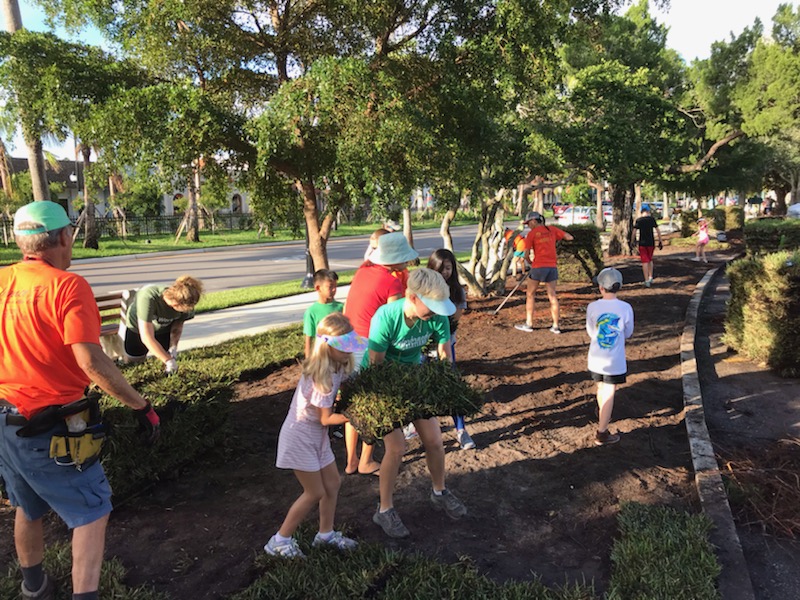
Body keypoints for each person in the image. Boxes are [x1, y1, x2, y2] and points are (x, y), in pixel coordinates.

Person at [0, 201, 160, 600]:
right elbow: (91, 362)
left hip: (6, 421)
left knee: (27, 503)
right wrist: (142, 406)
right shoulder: (67, 286)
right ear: (64, 238)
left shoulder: (3, 281)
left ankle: (33, 586)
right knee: (93, 510)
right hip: (47, 426)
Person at [367, 268, 467, 538]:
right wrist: (386, 405)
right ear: (412, 297)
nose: (435, 313)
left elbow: (445, 353)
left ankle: (439, 492)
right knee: (397, 448)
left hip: (413, 379)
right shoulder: (386, 318)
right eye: (430, 307)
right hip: (384, 384)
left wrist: (444, 385)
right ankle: (384, 510)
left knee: (434, 441)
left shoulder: (436, 318)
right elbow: (375, 366)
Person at [264, 312, 366, 558]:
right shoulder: (323, 378)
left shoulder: (337, 365)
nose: (348, 352)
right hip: (300, 437)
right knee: (315, 492)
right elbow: (326, 418)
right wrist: (357, 416)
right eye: (344, 348)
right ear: (327, 347)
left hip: (316, 436)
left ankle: (325, 535)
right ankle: (279, 541)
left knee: (333, 483)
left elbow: (349, 383)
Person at [343, 231, 418, 476]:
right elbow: (393, 318)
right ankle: (366, 460)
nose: (407, 262)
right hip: (369, 343)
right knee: (372, 403)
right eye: (405, 258)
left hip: (348, 340)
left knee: (353, 402)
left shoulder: (363, 271)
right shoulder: (393, 282)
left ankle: (351, 461)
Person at [427, 249, 476, 450]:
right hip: (422, 347)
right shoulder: (425, 288)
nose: (444, 272)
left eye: (448, 268)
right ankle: (415, 425)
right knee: (422, 386)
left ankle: (461, 430)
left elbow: (452, 323)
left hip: (446, 344)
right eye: (440, 268)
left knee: (451, 385)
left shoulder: (457, 291)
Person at [586, 268, 634, 446]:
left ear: (600, 288)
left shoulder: (593, 307)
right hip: (614, 360)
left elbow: (591, 332)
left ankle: (603, 418)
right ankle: (602, 432)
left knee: (601, 389)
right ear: (619, 286)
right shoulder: (625, 308)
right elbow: (628, 333)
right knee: (609, 392)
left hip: (595, 357)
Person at [123, 275, 204, 374]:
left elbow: (177, 326)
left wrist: (173, 346)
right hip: (137, 329)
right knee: (134, 364)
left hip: (164, 329)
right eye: (185, 309)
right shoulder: (148, 296)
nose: (188, 310)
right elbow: (146, 336)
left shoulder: (188, 302)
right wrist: (169, 361)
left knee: (163, 360)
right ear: (176, 303)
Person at [514, 211, 574, 334]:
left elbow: (525, 254)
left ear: (534, 221)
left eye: (529, 223)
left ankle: (529, 323)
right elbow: (569, 237)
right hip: (552, 267)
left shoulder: (532, 234)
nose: (528, 226)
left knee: (530, 294)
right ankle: (556, 326)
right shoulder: (552, 229)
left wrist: (530, 262)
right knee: (552, 295)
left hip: (538, 266)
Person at [303, 269, 343, 358]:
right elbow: (309, 339)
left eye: (336, 286)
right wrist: (308, 362)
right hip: (323, 355)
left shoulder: (342, 307)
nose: (334, 290)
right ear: (318, 288)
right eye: (330, 287)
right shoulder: (312, 312)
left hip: (340, 354)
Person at [631, 204, 663, 287]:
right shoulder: (652, 220)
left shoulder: (639, 220)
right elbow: (658, 230)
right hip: (651, 243)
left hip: (642, 243)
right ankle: (650, 276)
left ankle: (646, 280)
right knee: (650, 259)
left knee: (644, 261)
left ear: (641, 212)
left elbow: (634, 231)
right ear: (648, 211)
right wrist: (660, 240)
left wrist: (632, 241)